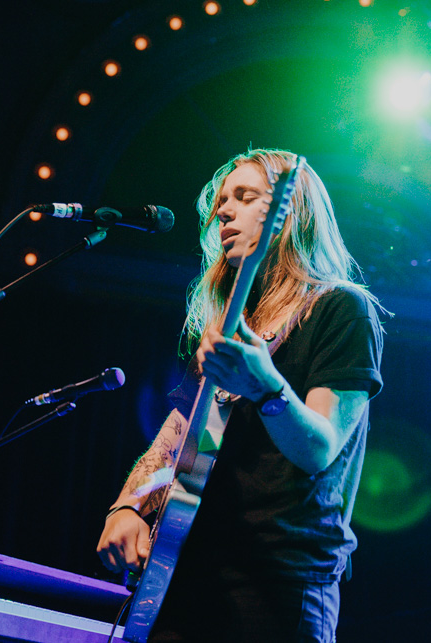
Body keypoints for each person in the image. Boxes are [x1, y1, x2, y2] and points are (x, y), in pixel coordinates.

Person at [97, 148, 385, 642]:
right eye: (221, 202)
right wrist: (128, 505)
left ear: (287, 214)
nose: (223, 211)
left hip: (278, 582)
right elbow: (177, 435)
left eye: (244, 197)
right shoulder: (229, 326)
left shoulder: (341, 309)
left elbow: (319, 449)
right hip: (189, 570)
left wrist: (265, 384)